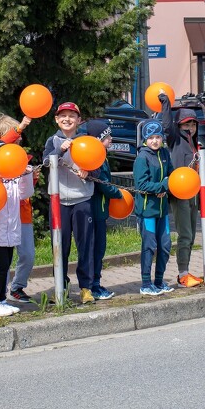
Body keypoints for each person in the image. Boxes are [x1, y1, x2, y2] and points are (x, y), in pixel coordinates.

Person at [42, 102, 95, 304]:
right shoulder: (53, 140)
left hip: (82, 199)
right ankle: (61, 288)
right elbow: (45, 162)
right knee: (59, 246)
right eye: (63, 115)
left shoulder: (87, 141)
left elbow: (97, 164)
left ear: (79, 120)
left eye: (72, 116)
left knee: (85, 245)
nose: (67, 119)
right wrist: (60, 150)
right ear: (56, 119)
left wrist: (89, 172)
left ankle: (86, 288)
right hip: (58, 202)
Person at [0, 117, 34, 317]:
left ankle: (1, 300)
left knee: (6, 265)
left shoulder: (13, 175)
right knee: (1, 266)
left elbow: (25, 193)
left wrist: (26, 175)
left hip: (11, 228)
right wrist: (20, 127)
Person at [158, 93, 204, 288]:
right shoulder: (175, 139)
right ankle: (182, 275)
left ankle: (186, 272)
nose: (190, 128)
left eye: (193, 124)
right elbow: (167, 126)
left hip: (193, 193)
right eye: (186, 124)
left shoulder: (194, 143)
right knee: (185, 235)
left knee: (191, 235)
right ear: (179, 126)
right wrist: (166, 104)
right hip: (180, 193)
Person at [133, 120, 174, 295]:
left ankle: (159, 281)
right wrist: (161, 187)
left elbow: (172, 176)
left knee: (165, 245)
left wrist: (166, 188)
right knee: (149, 246)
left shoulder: (164, 153)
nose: (155, 141)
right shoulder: (142, 157)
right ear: (145, 139)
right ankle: (145, 283)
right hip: (147, 210)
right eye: (151, 138)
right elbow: (141, 184)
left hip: (162, 210)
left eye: (158, 137)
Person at [84, 118, 124, 299]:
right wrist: (118, 193)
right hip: (95, 211)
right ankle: (93, 285)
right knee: (96, 249)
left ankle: (95, 283)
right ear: (98, 139)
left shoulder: (102, 156)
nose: (111, 139)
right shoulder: (97, 159)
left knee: (99, 249)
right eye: (107, 137)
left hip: (100, 211)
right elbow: (103, 185)